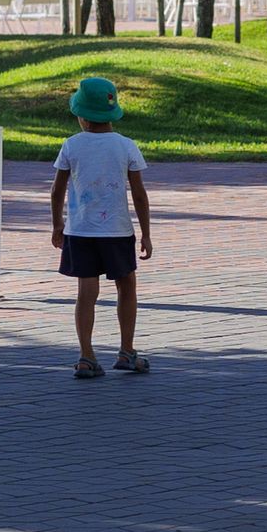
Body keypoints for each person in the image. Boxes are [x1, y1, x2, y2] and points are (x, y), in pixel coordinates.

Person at [50, 77, 154, 378]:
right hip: (118, 231)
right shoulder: (126, 146)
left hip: (80, 230)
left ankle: (86, 356)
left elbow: (57, 190)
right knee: (127, 285)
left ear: (82, 116)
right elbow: (139, 194)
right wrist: (146, 232)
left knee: (86, 291)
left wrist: (58, 224)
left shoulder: (71, 145)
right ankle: (126, 350)